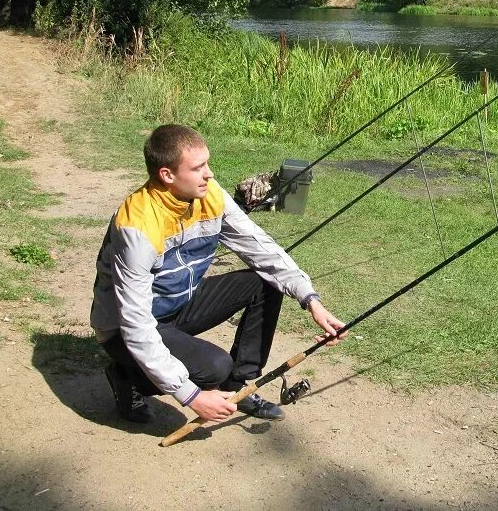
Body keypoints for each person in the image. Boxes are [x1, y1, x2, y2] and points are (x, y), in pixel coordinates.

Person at [90, 124, 347, 424]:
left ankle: (239, 387)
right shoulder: (138, 228)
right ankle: (128, 378)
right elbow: (135, 324)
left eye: (207, 164)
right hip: (123, 327)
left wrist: (311, 300)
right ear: (167, 175)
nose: (209, 173)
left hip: (179, 303)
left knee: (263, 282)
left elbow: (260, 247)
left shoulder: (210, 195)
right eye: (198, 167)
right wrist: (191, 395)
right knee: (214, 367)